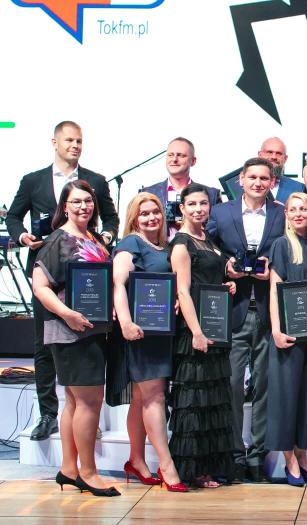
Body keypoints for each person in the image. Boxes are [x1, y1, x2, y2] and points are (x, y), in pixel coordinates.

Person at [7, 121, 118, 441]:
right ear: (54, 142)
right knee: (44, 343)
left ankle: (85, 413)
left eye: (79, 141)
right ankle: (48, 414)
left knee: (88, 339)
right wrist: (22, 236)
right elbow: (13, 216)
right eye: (69, 140)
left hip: (88, 274)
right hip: (47, 267)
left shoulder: (95, 180)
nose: (75, 145)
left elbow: (111, 218)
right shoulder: (33, 180)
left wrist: (106, 236)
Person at [32, 180, 117, 496]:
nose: (84, 206)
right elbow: (39, 286)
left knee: (75, 401)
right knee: (89, 401)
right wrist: (68, 314)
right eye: (77, 201)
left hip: (93, 329)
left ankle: (69, 469)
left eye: (88, 201)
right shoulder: (58, 239)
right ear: (64, 207)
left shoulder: (93, 237)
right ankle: (89, 473)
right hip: (71, 332)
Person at [206, 158, 286, 482]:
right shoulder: (220, 213)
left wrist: (274, 266)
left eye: (264, 178)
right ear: (240, 179)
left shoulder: (281, 213)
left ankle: (257, 457)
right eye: (252, 177)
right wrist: (225, 266)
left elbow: (292, 250)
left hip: (269, 311)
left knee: (264, 387)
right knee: (232, 387)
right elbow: (207, 249)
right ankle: (235, 455)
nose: (257, 183)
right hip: (233, 309)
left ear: (272, 182)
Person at [111, 193, 187, 492]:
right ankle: (167, 466)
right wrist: (126, 323)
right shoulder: (131, 244)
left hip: (162, 332)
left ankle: (136, 460)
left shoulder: (165, 246)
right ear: (134, 217)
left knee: (143, 398)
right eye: (144, 213)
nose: (151, 217)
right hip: (140, 333)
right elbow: (118, 284)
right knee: (154, 397)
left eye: (155, 211)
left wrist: (176, 300)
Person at [168, 183, 236, 488]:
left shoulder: (207, 239)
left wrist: (227, 286)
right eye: (192, 204)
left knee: (211, 400)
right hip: (195, 331)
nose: (199, 209)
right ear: (182, 208)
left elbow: (207, 281)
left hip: (214, 327)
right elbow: (182, 291)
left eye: (203, 204)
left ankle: (206, 468)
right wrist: (195, 331)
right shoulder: (182, 244)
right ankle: (192, 470)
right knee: (194, 400)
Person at [266, 192, 307, 487]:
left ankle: (303, 458)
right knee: (286, 398)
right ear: (286, 214)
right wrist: (276, 330)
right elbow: (274, 289)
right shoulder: (281, 245)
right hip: (287, 335)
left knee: (305, 398)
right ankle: (289, 459)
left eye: (303, 209)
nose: (298, 213)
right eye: (293, 209)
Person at [142, 137, 222, 240]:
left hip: (199, 248)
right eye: (170, 155)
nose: (174, 159)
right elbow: (137, 230)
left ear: (193, 161)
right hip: (158, 248)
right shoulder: (148, 193)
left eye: (181, 155)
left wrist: (194, 226)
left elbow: (219, 233)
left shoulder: (212, 195)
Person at [221, 137, 305, 204]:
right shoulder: (235, 182)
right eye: (269, 152)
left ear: (285, 158)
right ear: (259, 155)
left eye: (279, 153)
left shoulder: (298, 188)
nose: (274, 157)